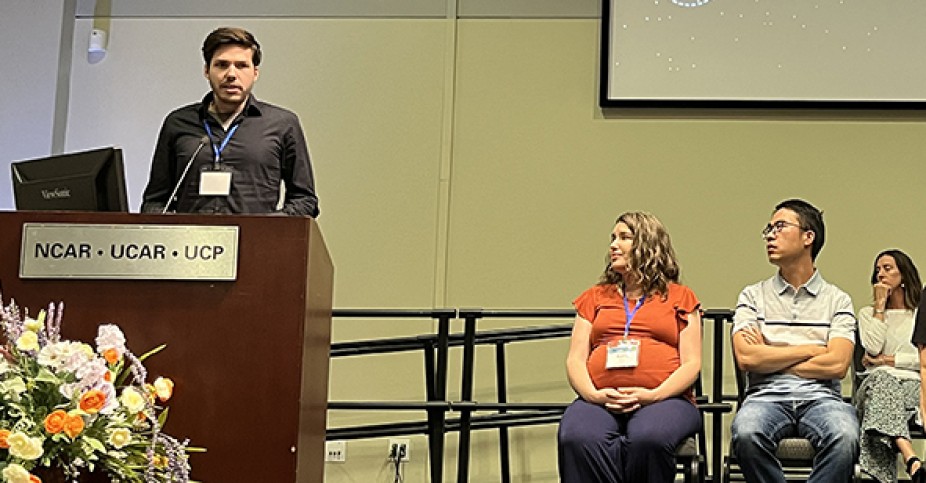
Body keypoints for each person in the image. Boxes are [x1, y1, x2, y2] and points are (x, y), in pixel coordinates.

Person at [557, 211, 702, 482]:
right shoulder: (594, 297)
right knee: (576, 436)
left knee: (649, 437)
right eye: (613, 238)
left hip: (667, 400)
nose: (613, 244)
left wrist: (654, 395)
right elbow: (575, 360)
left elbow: (692, 363)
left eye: (624, 237)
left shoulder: (680, 297)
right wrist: (593, 395)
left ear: (648, 245)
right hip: (600, 399)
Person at [730, 199, 858, 483]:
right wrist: (813, 350)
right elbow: (748, 359)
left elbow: (837, 365)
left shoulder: (838, 300)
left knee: (846, 436)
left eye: (780, 227)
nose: (770, 235)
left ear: (808, 237)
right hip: (765, 397)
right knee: (747, 434)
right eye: (769, 229)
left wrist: (771, 354)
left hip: (821, 398)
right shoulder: (752, 296)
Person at [141, 27, 319, 216]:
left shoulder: (283, 124)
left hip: (257, 242)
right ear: (207, 71)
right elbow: (154, 202)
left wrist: (268, 226)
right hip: (192, 243)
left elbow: (305, 201)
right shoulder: (178, 122)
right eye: (222, 65)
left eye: (241, 66)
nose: (231, 74)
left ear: (255, 73)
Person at [855, 249, 924, 483]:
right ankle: (910, 457)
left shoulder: (918, 315)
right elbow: (873, 347)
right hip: (874, 386)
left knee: (881, 407)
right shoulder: (868, 314)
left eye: (887, 268)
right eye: (877, 270)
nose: (881, 274)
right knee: (883, 382)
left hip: (913, 387)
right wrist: (880, 306)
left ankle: (878, 477)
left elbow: (921, 359)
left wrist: (888, 360)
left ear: (903, 274)